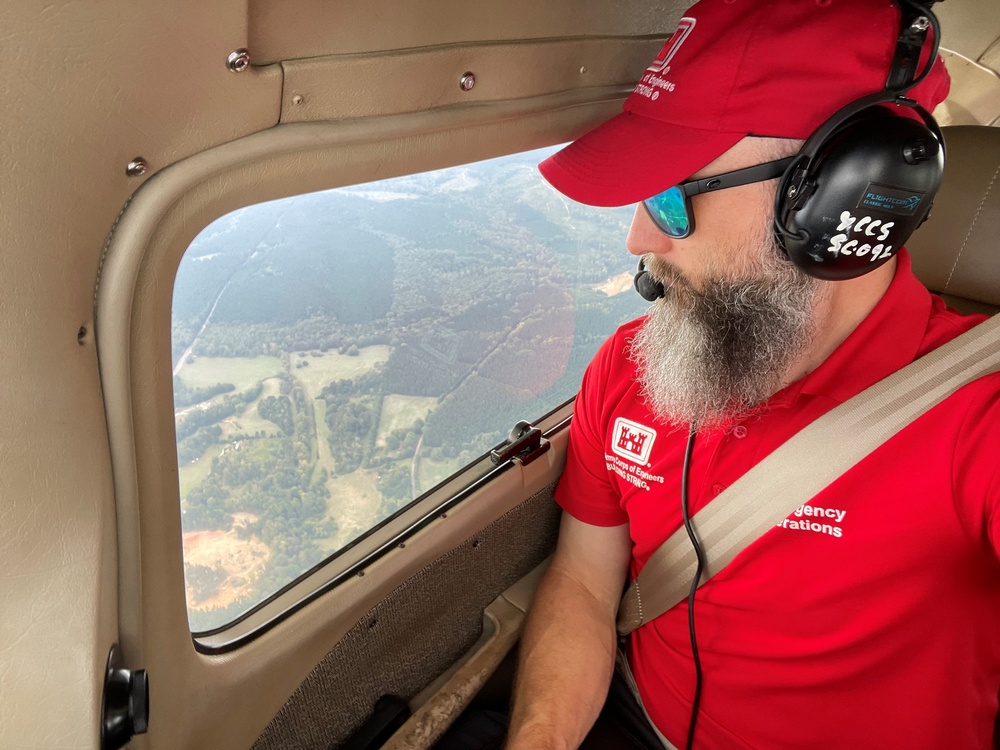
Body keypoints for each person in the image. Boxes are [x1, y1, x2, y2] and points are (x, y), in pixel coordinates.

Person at [505, 0, 1000, 748]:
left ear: (840, 200)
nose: (637, 237)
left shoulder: (976, 417)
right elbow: (583, 581)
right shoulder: (635, 365)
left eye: (670, 199)